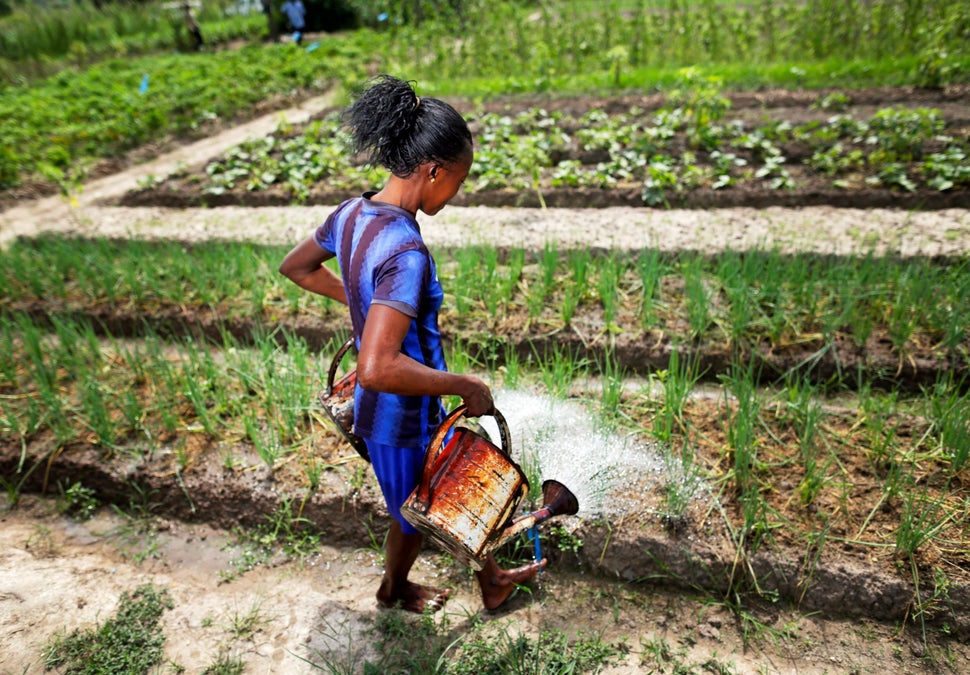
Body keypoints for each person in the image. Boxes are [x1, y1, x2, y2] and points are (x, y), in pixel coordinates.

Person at [280, 75, 546, 613]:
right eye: (459, 181)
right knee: (413, 515)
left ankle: (491, 581)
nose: (456, 193)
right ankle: (392, 590)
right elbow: (377, 368)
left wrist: (363, 303)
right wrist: (465, 384)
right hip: (397, 413)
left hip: (402, 403)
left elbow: (297, 267)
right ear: (433, 171)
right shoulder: (406, 253)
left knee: (446, 488)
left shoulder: (351, 213)